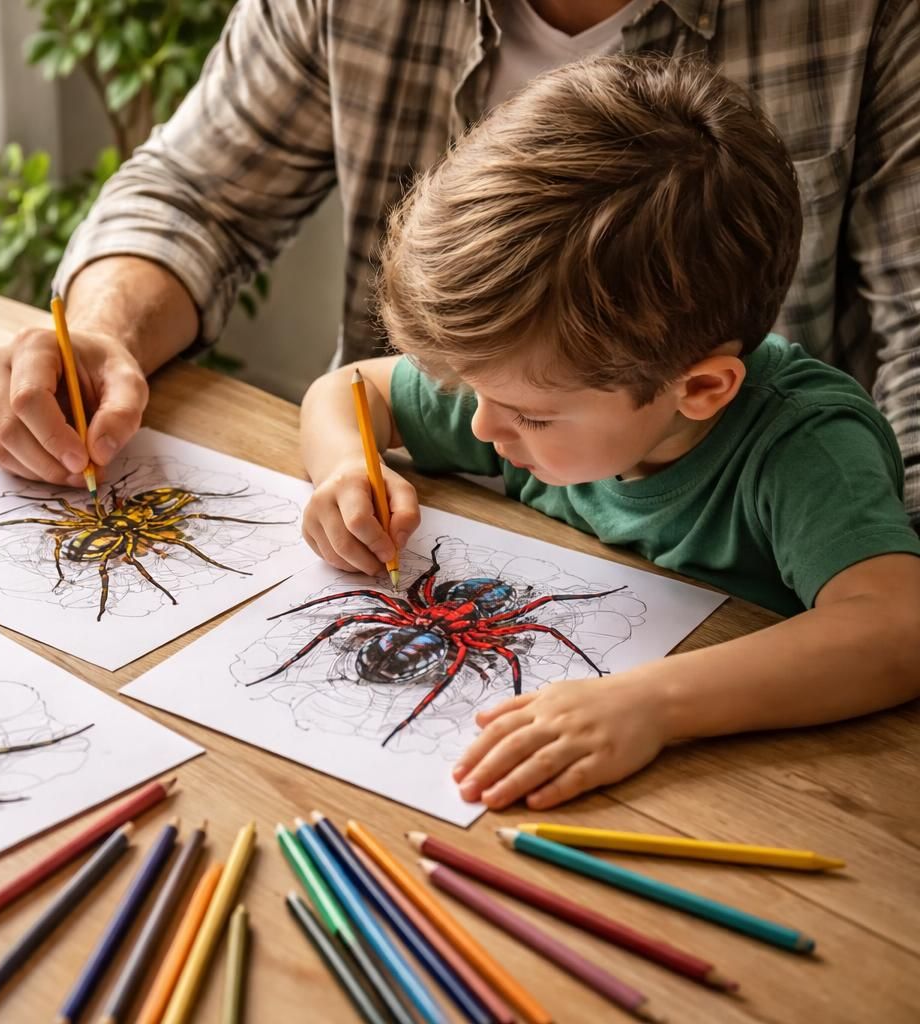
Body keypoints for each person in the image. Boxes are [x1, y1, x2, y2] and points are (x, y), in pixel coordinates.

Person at [0, 0, 920, 526]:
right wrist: (101, 333)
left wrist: (867, 566)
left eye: (529, 406)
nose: (491, 419)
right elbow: (195, 192)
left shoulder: (869, 17)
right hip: (436, 531)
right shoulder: (474, 413)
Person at [300, 56, 920, 811]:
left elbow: (896, 627)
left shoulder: (806, 448)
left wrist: (653, 705)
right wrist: (344, 469)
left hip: (761, 791)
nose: (483, 425)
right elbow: (350, 389)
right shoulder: (536, 380)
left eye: (529, 416)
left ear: (697, 390)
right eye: (473, 393)